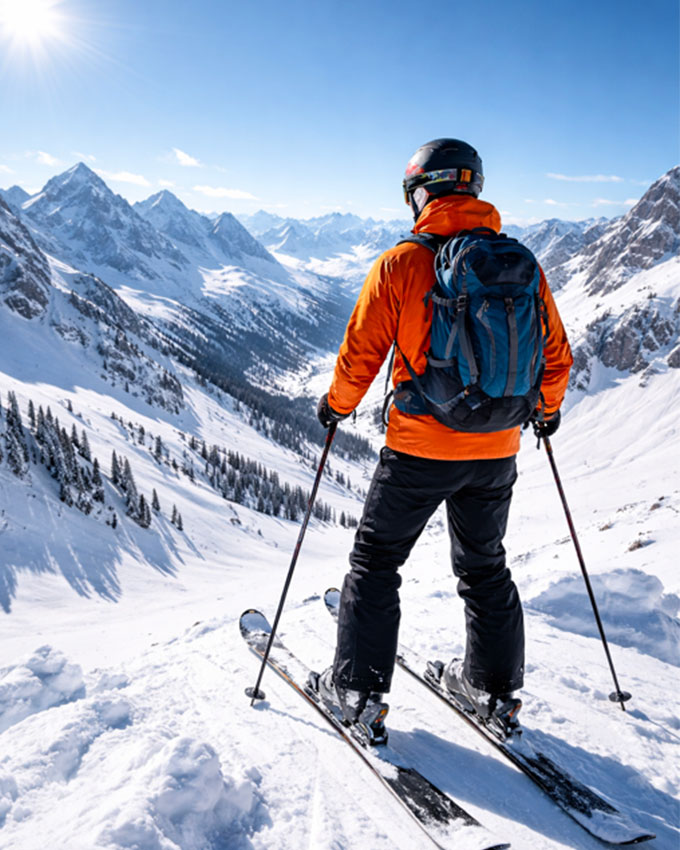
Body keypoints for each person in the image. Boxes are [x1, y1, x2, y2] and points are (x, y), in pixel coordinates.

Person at [315, 138, 573, 743]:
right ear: (474, 189)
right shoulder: (523, 264)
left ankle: (357, 691)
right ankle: (494, 690)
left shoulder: (401, 263)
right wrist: (546, 412)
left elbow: (361, 354)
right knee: (485, 569)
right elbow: (556, 356)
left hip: (418, 449)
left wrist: (335, 406)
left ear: (420, 192)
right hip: (497, 449)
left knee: (376, 564)